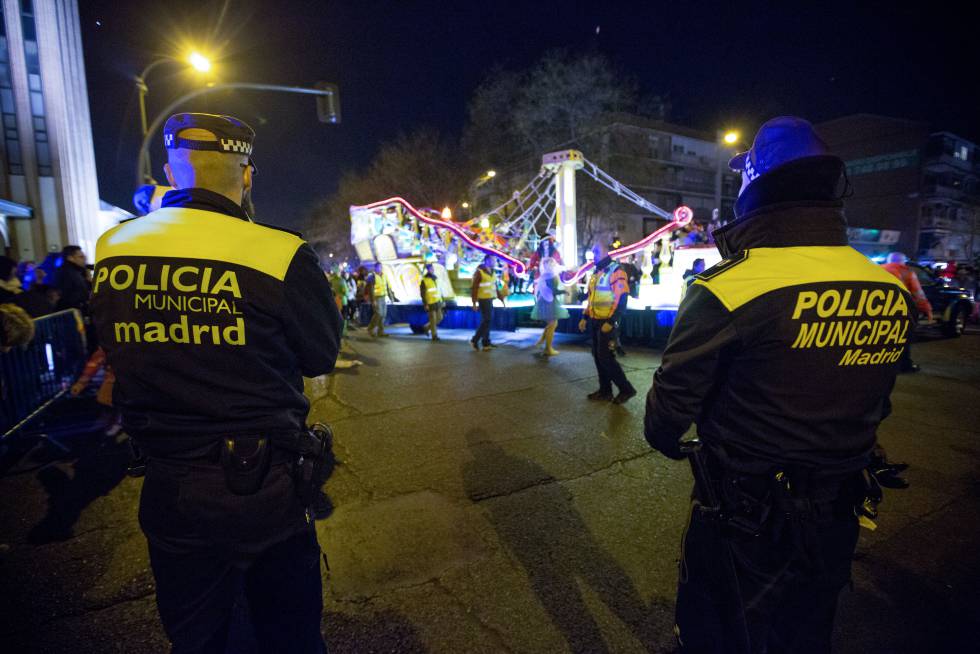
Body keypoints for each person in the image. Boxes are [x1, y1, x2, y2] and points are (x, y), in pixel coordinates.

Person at [644, 116, 912, 653]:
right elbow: (876, 398)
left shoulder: (732, 286)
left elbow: (668, 412)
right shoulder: (885, 287)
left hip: (745, 518)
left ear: (757, 186)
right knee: (807, 631)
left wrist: (671, 439)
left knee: (719, 633)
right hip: (839, 511)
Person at [90, 112, 341, 653]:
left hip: (170, 483)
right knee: (289, 632)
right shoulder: (278, 253)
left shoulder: (114, 248)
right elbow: (320, 353)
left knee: (197, 635)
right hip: (267, 488)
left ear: (169, 171)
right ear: (247, 175)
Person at [578, 243, 636, 403]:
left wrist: (611, 321)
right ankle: (605, 391)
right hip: (596, 321)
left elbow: (622, 298)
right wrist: (585, 317)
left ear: (605, 252)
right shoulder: (597, 273)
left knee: (605, 357)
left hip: (607, 322)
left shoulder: (616, 271)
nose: (593, 254)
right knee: (598, 356)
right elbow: (592, 298)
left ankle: (626, 389)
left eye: (596, 251)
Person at [880, 252, 932, 373]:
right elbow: (918, 293)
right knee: (903, 338)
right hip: (901, 310)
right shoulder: (907, 272)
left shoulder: (878, 269)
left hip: (880, 310)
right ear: (903, 261)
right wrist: (926, 309)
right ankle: (904, 366)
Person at [530, 256, 568, 356]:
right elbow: (554, 291)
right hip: (549, 302)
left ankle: (541, 341)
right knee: (552, 324)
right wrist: (564, 291)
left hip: (543, 301)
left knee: (551, 324)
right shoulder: (552, 276)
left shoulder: (544, 275)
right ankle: (548, 348)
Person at [470, 254, 505, 351]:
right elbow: (474, 288)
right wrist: (474, 303)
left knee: (487, 320)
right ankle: (474, 340)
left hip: (490, 299)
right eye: (493, 260)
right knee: (487, 320)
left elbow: (495, 287)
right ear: (487, 261)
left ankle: (486, 343)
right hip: (483, 299)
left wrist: (501, 298)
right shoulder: (480, 272)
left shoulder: (493, 272)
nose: (494, 262)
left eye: (495, 260)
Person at [366, 261, 395, 337]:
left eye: (381, 267)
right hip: (376, 297)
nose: (380, 268)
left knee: (383, 314)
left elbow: (388, 287)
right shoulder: (372, 277)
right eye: (378, 267)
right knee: (379, 314)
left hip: (383, 297)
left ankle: (380, 331)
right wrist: (373, 300)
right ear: (375, 268)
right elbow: (371, 290)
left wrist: (391, 296)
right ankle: (370, 328)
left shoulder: (384, 276)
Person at [419, 263, 445, 341]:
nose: (432, 269)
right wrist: (425, 304)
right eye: (430, 268)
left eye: (432, 268)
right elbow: (422, 294)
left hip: (437, 301)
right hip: (430, 302)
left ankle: (427, 327)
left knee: (440, 318)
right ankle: (434, 336)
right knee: (433, 319)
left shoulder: (436, 278)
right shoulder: (424, 280)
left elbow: (439, 290)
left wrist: (443, 300)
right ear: (427, 270)